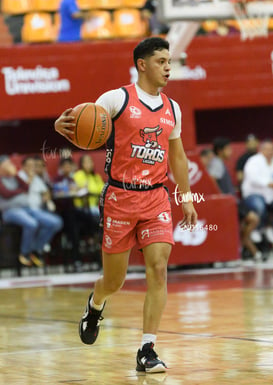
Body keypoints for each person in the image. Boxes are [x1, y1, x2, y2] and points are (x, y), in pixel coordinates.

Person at [54, 37, 197, 373]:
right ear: (142, 64)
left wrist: (186, 197)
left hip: (156, 197)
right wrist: (63, 127)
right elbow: (81, 123)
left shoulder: (172, 108)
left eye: (169, 62)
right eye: (161, 61)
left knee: (159, 269)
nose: (168, 68)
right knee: (114, 281)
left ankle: (147, 349)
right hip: (120, 197)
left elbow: (177, 155)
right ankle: (96, 304)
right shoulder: (116, 99)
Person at [0, 155, 63, 267]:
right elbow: (6, 193)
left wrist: (15, 175)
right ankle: (25, 253)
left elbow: (26, 187)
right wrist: (20, 191)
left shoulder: (15, 177)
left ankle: (35, 249)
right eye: (7, 163)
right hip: (10, 211)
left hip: (27, 209)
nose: (11, 165)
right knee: (32, 224)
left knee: (55, 222)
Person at [208, 137, 262, 260]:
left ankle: (246, 249)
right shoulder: (216, 163)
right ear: (220, 150)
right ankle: (243, 248)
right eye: (228, 149)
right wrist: (221, 196)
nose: (231, 152)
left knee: (245, 224)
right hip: (228, 203)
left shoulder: (219, 162)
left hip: (232, 202)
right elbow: (212, 178)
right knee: (253, 219)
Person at [241, 140, 273, 233]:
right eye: (268, 149)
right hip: (253, 194)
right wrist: (269, 184)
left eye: (272, 149)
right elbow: (253, 178)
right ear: (261, 150)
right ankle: (258, 230)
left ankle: (269, 228)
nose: (270, 152)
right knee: (259, 206)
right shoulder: (254, 160)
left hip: (270, 195)